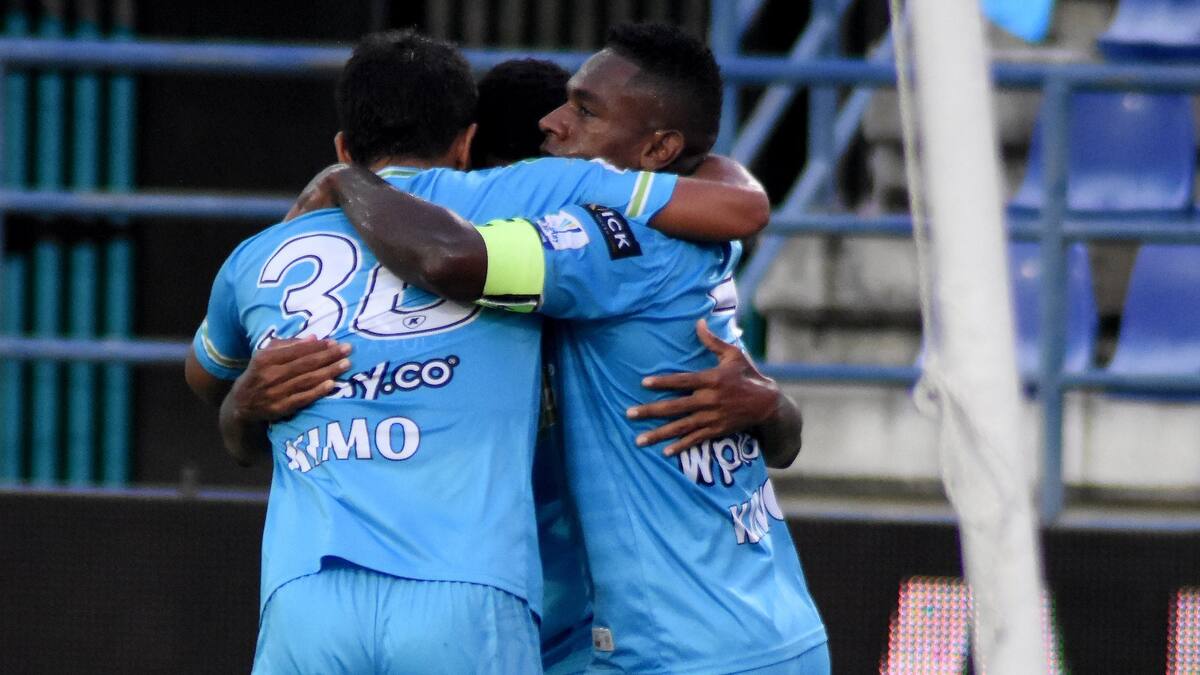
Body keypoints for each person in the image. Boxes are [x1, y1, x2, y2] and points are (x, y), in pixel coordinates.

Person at [184, 30, 774, 673]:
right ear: (465, 147)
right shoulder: (531, 204)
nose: (559, 126)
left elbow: (207, 382)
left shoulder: (267, 254)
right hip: (495, 603)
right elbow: (741, 208)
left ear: (345, 148)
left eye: (583, 112)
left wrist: (238, 408)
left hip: (319, 597)